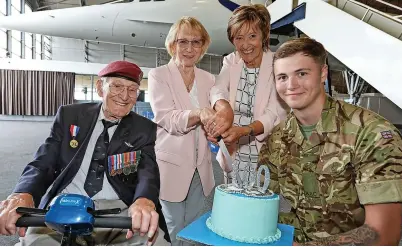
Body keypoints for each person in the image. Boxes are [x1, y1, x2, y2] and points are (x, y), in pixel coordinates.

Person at [0, 61, 170, 246]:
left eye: (132, 90)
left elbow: (148, 171)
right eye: (117, 86)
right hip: (65, 204)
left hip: (117, 211)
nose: (124, 95)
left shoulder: (145, 129)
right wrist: (24, 193)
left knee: (155, 243)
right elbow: (44, 161)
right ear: (100, 87)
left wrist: (144, 200)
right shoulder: (69, 115)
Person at [258, 37, 402, 245]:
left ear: (323, 73)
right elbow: (266, 207)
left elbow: (382, 235)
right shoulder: (276, 139)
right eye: (282, 77)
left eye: (301, 73)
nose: (291, 85)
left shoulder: (372, 134)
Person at [148, 17, 216, 245]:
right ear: (172, 44)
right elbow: (166, 118)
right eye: (183, 42)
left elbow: (215, 115)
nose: (189, 49)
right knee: (175, 228)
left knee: (196, 226)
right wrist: (200, 114)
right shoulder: (159, 76)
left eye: (196, 42)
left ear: (203, 46)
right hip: (172, 166)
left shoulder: (208, 79)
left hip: (202, 167)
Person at [206, 4, 287, 182]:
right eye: (239, 37)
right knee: (235, 203)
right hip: (234, 154)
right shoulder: (231, 60)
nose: (245, 45)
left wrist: (244, 131)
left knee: (261, 206)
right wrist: (224, 110)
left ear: (264, 35)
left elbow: (274, 114)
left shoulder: (278, 64)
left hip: (266, 154)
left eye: (252, 36)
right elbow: (217, 89)